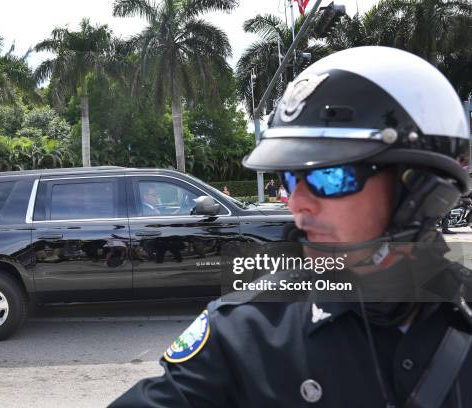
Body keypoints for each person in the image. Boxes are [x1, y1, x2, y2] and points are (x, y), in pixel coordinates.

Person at [109, 47, 472, 407]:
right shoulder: (248, 332)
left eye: (329, 176)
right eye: (290, 178)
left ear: (422, 189)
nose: (297, 202)